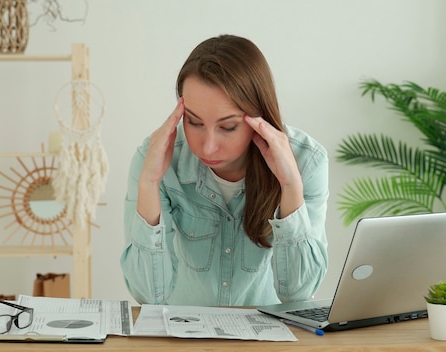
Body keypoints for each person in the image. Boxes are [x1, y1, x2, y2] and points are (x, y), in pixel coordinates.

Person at [120, 34, 329, 307]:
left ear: (259, 117)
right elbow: (147, 294)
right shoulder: (155, 159)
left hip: (266, 342)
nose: (207, 147)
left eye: (227, 127)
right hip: (184, 341)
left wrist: (290, 186)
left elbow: (299, 294)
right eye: (194, 122)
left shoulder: (306, 160)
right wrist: (149, 182)